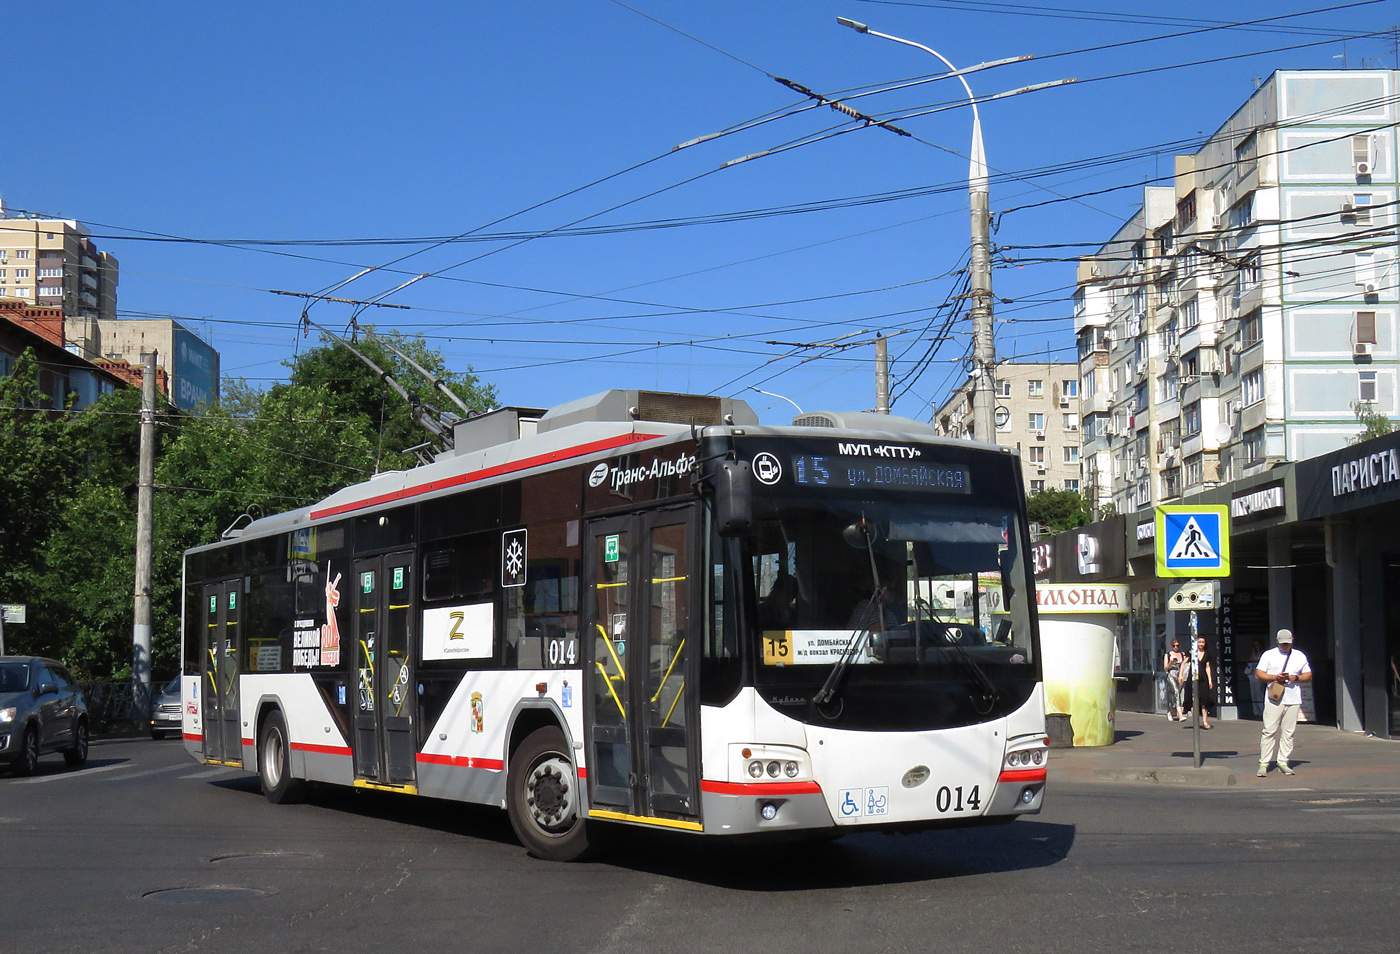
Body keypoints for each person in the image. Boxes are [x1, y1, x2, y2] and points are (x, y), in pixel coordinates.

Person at [1255, 628, 1312, 777]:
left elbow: (1308, 674)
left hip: (1293, 699)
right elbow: (1259, 674)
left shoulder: (1299, 656)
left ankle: (1283, 761)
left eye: (1287, 643)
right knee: (1269, 731)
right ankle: (1264, 763)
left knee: (1288, 732)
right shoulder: (1269, 655)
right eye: (1282, 644)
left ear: (1292, 641)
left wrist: (1296, 678)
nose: (1285, 646)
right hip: (1274, 698)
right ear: (1277, 642)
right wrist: (1275, 677)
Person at [1181, 636, 1214, 729]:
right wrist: (1181, 675)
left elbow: (1207, 667)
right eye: (1199, 642)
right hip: (1192, 678)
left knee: (1204, 699)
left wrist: (1210, 679)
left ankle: (1204, 721)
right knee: (1192, 700)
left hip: (1203, 679)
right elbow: (1184, 663)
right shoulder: (1192, 652)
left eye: (1203, 642)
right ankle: (1196, 720)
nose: (1201, 644)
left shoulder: (1207, 654)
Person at [1163, 639, 1186, 721]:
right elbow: (1165, 668)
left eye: (1177, 646)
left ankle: (1171, 712)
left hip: (1179, 675)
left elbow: (1184, 665)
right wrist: (1171, 662)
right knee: (1176, 692)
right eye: (1174, 646)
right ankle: (1180, 715)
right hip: (1171, 674)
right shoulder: (1168, 655)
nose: (1176, 647)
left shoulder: (1182, 654)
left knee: (1179, 694)